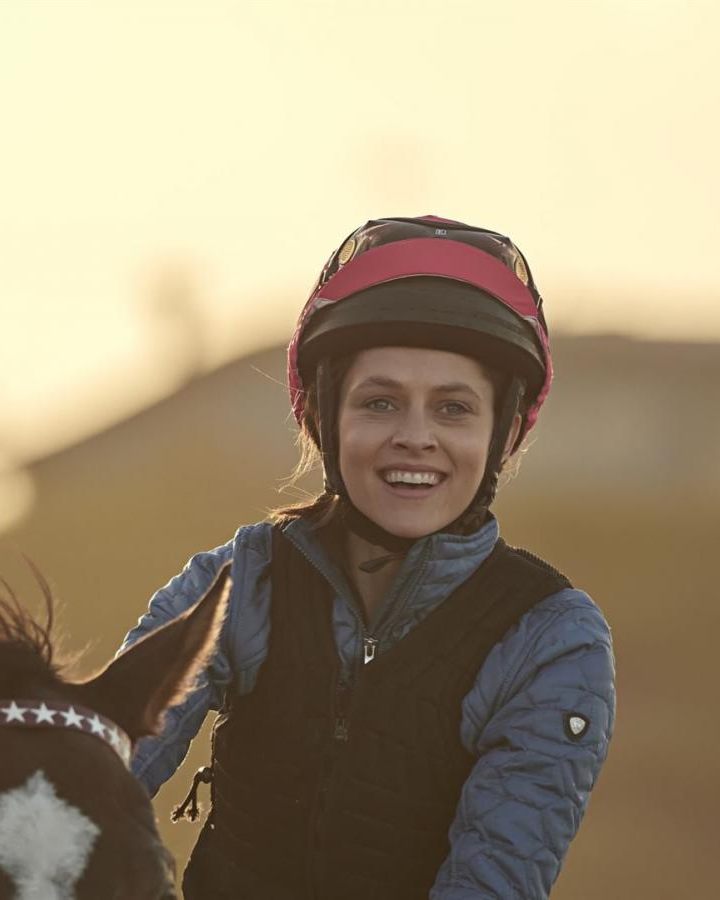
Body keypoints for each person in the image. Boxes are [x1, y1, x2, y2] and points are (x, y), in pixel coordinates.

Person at [119, 215, 616, 899]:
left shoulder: (552, 638)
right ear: (325, 418)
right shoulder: (240, 580)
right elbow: (95, 771)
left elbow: (494, 882)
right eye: (380, 403)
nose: (416, 437)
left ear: (503, 435)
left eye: (453, 409)